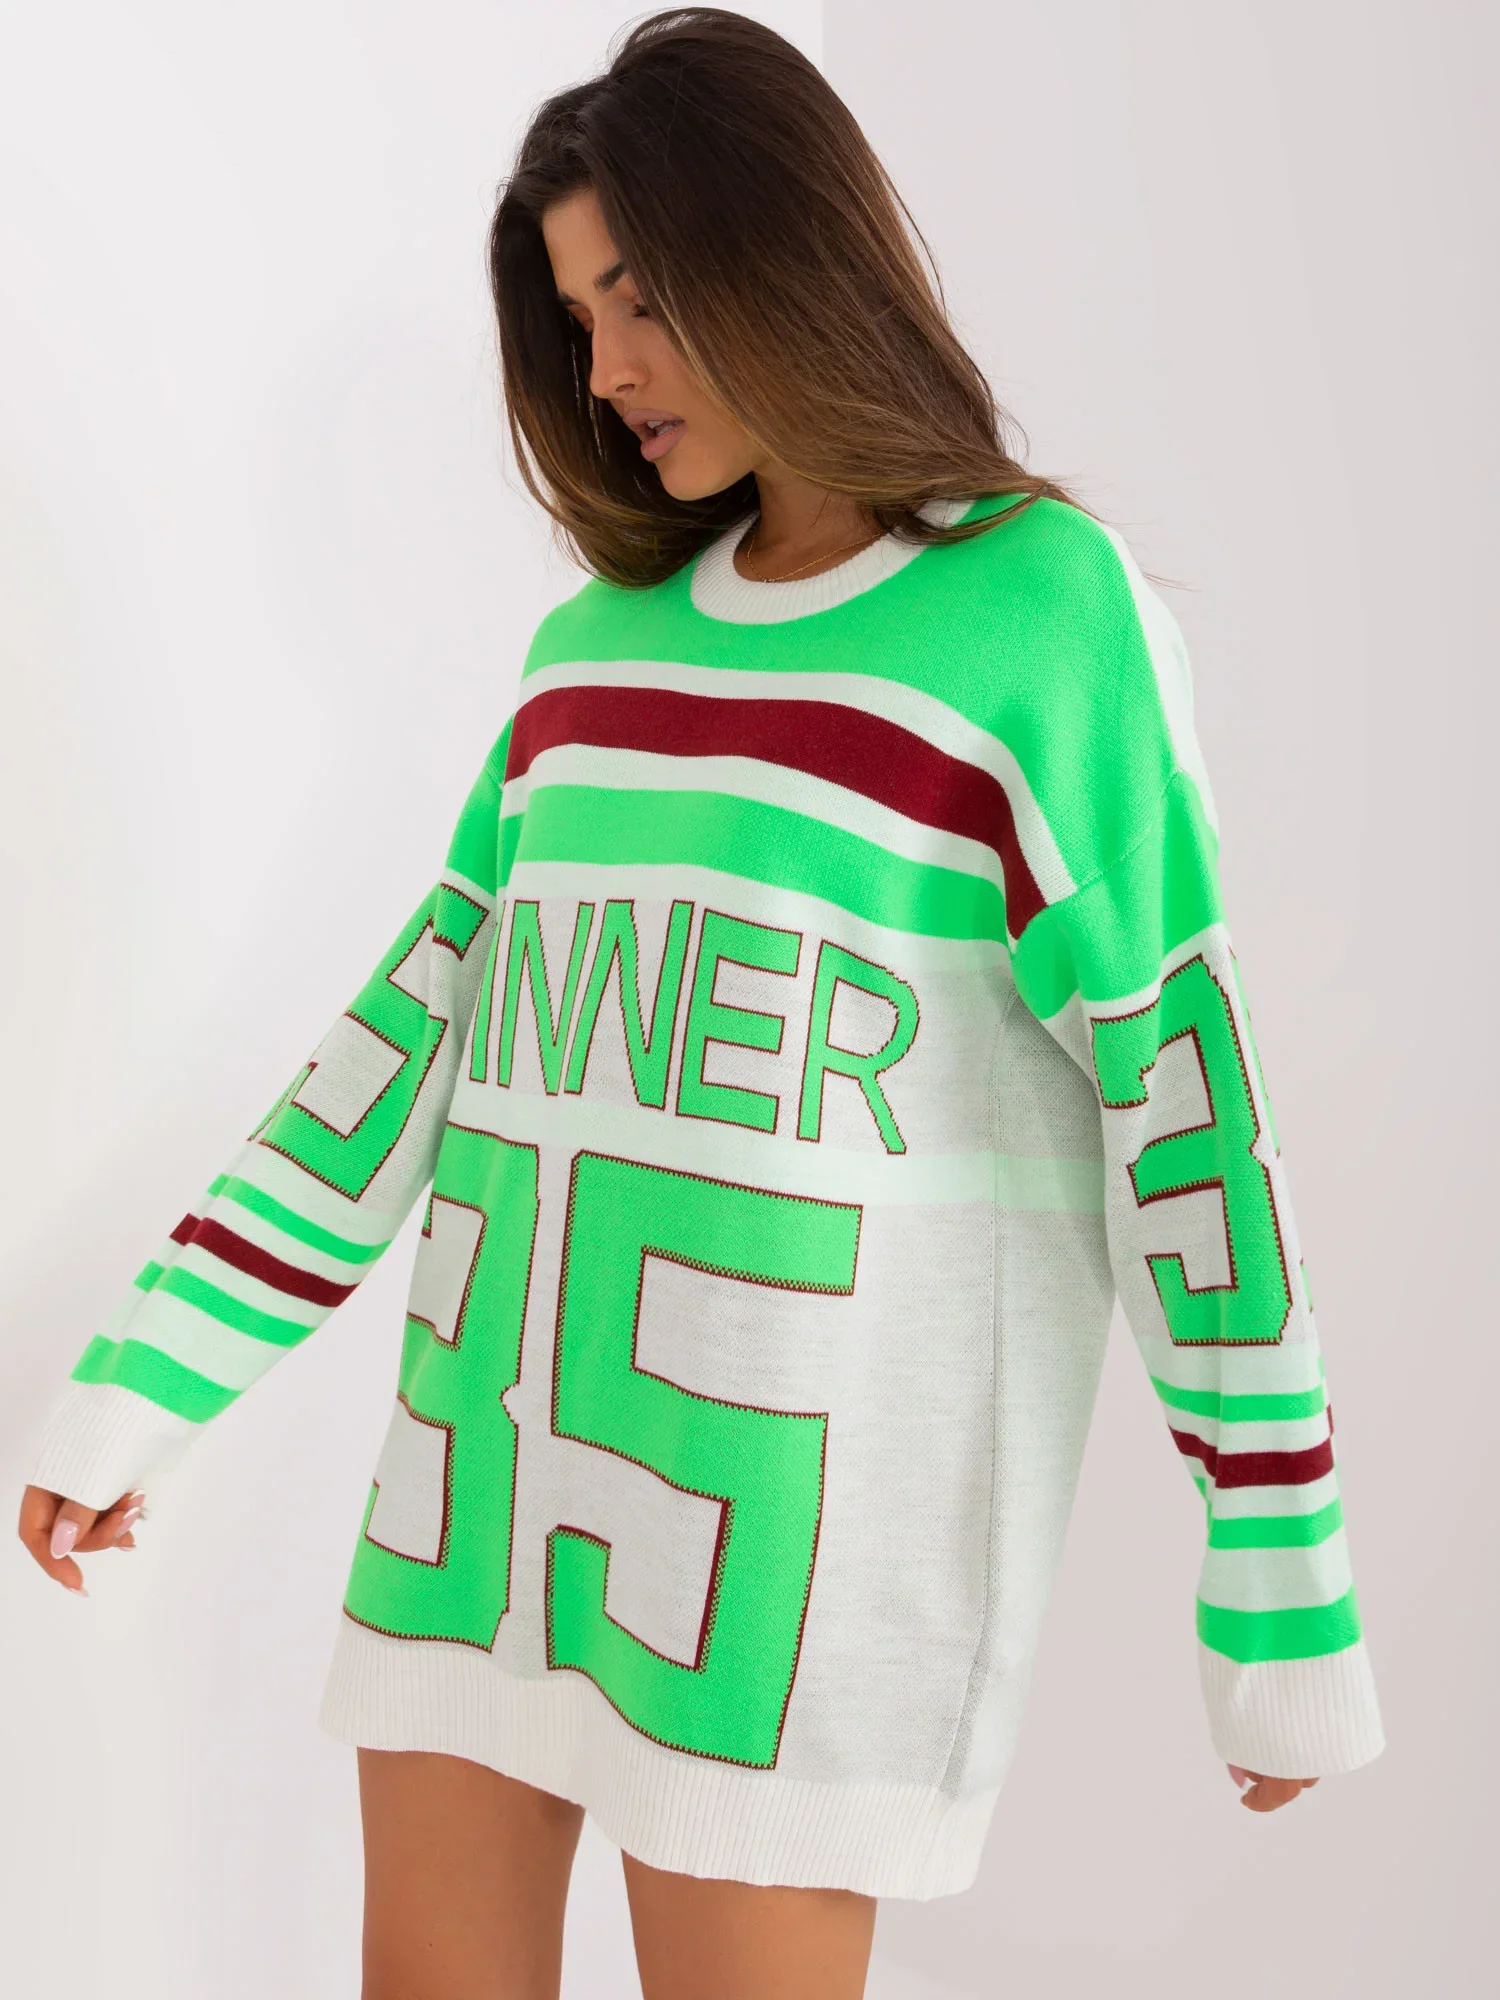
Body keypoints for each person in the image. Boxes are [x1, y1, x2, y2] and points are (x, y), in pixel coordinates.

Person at [17, 10, 1385, 1997]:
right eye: (577, 316)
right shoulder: (590, 656)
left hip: (794, 1579)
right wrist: (148, 1383)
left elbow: (1183, 1112)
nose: (605, 371)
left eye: (642, 302)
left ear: (786, 259)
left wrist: (1281, 1592)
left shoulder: (1041, 615)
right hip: (482, 1499)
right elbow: (410, 1043)